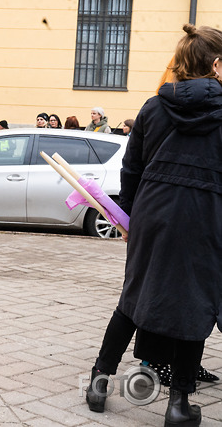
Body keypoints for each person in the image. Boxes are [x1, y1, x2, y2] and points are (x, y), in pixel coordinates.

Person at [85, 24, 222, 426]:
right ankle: (178, 404)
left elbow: (131, 171)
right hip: (206, 221)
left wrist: (128, 218)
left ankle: (99, 380)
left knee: (134, 298)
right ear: (216, 65)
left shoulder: (152, 107)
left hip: (153, 217)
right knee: (195, 307)